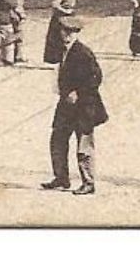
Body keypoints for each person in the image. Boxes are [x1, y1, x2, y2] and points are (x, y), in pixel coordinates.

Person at [41, 15, 107, 196]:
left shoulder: (82, 52)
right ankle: (61, 178)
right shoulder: (62, 51)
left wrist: (78, 92)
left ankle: (88, 182)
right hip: (66, 105)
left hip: (84, 106)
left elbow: (96, 77)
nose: (68, 36)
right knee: (58, 140)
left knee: (84, 145)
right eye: (65, 32)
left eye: (72, 32)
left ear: (77, 33)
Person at [44, 0, 78, 65]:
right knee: (60, 39)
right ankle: (60, 59)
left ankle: (67, 58)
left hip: (69, 17)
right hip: (60, 17)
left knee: (70, 38)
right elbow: (55, 4)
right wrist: (65, 10)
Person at [5, 0, 29, 66]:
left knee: (17, 33)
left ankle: (15, 55)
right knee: (17, 33)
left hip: (14, 9)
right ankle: (15, 55)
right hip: (15, 10)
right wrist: (20, 12)